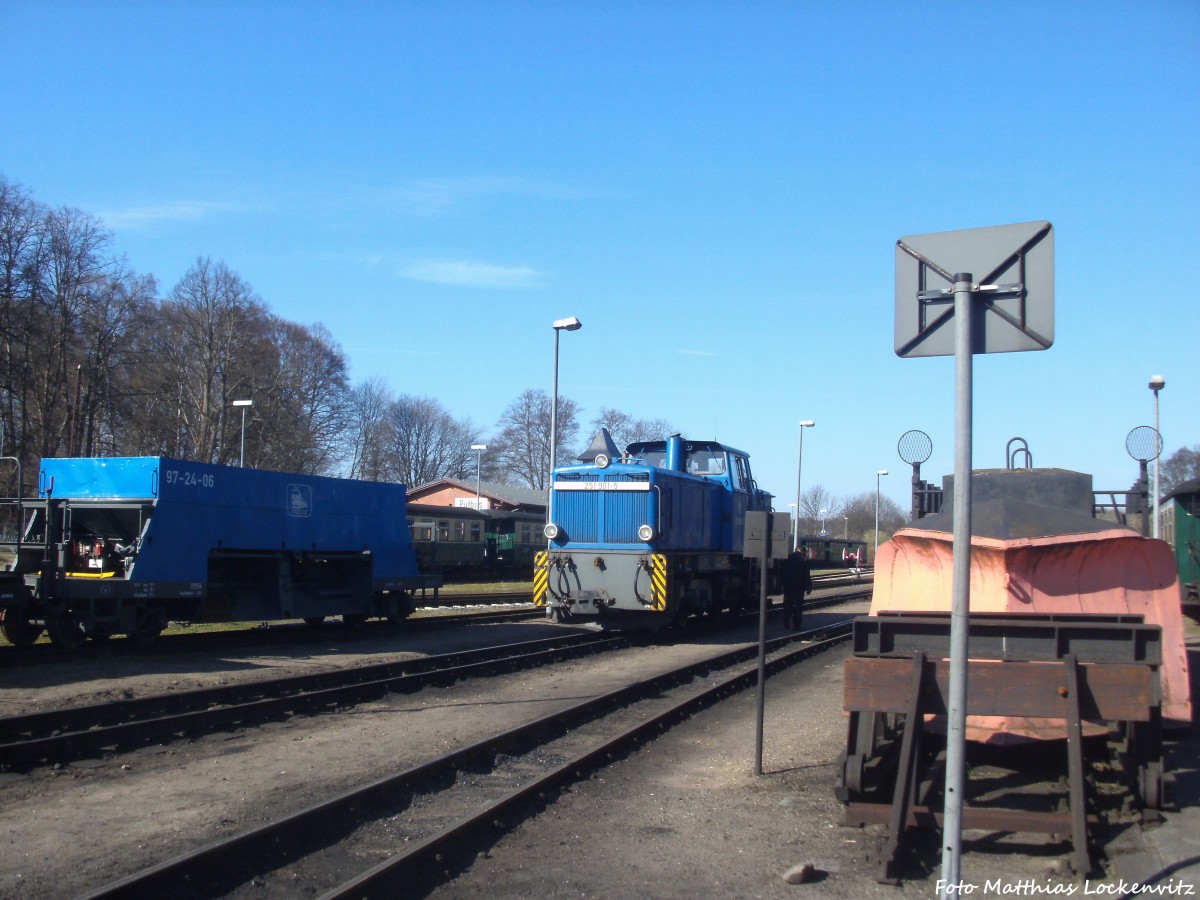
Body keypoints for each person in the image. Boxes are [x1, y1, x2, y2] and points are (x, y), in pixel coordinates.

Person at [780, 545, 812, 631]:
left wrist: (781, 584)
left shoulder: (788, 558)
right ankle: (796, 625)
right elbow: (806, 574)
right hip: (799, 586)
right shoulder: (803, 560)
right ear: (802, 551)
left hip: (788, 586)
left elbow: (782, 572)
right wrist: (809, 586)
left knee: (787, 603)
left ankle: (786, 621)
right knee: (798, 606)